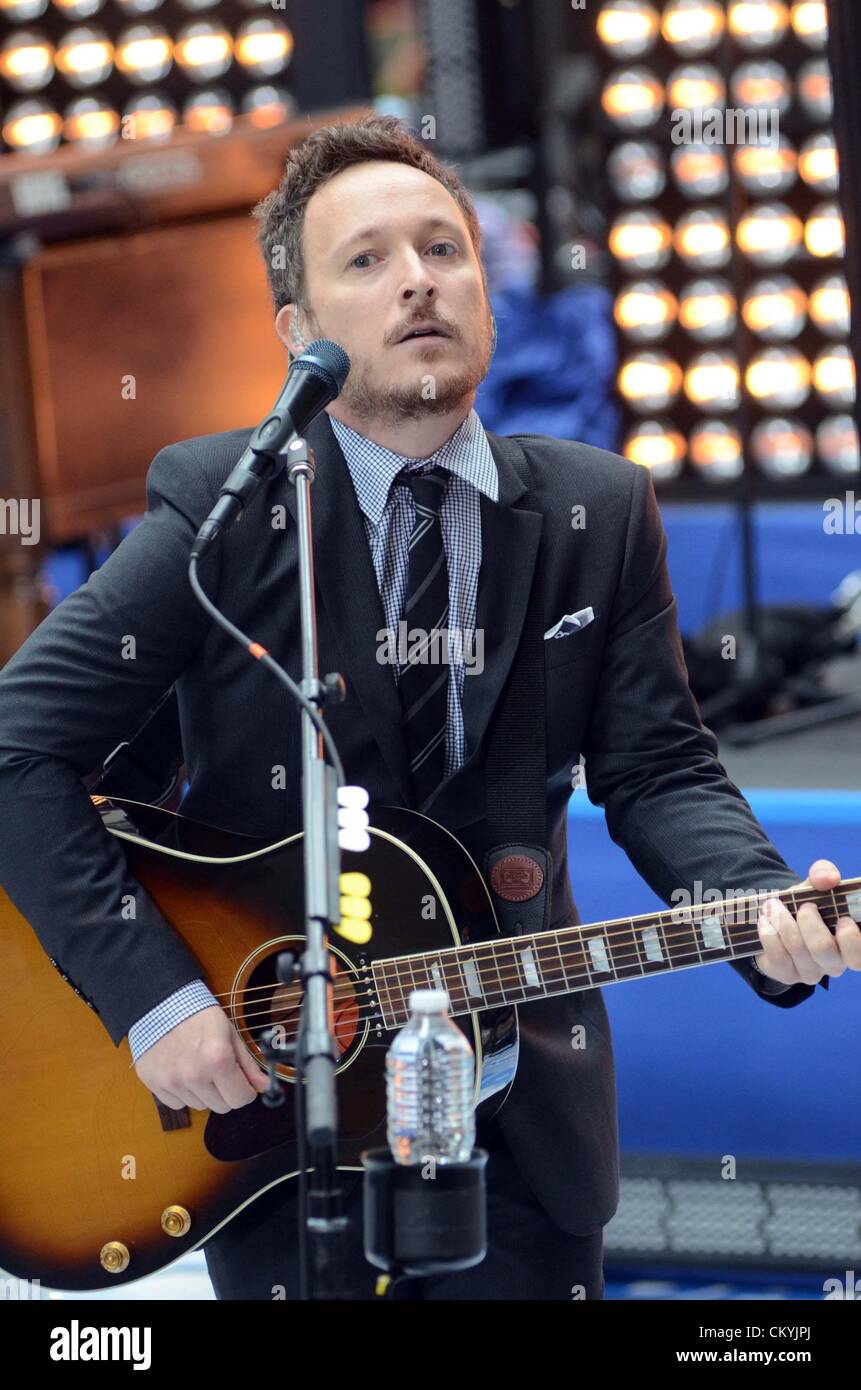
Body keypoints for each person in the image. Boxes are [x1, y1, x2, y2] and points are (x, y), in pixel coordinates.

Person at [0, 114, 858, 1302]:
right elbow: (18, 746)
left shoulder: (597, 514)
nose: (418, 279)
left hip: (522, 1128)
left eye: (445, 249)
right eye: (367, 260)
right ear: (297, 332)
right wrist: (159, 1001)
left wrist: (757, 900)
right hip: (283, 1118)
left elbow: (661, 770)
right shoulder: (225, 505)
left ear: (488, 296)